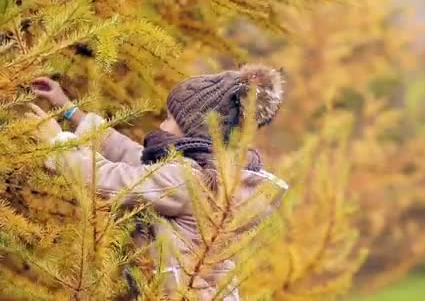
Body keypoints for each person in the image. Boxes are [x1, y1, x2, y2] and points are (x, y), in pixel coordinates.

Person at [27, 64, 288, 300]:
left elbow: (111, 181)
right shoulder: (209, 174)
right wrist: (72, 111)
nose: (162, 124)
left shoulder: (186, 181)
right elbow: (138, 161)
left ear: (196, 129)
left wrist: (58, 142)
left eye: (170, 118)